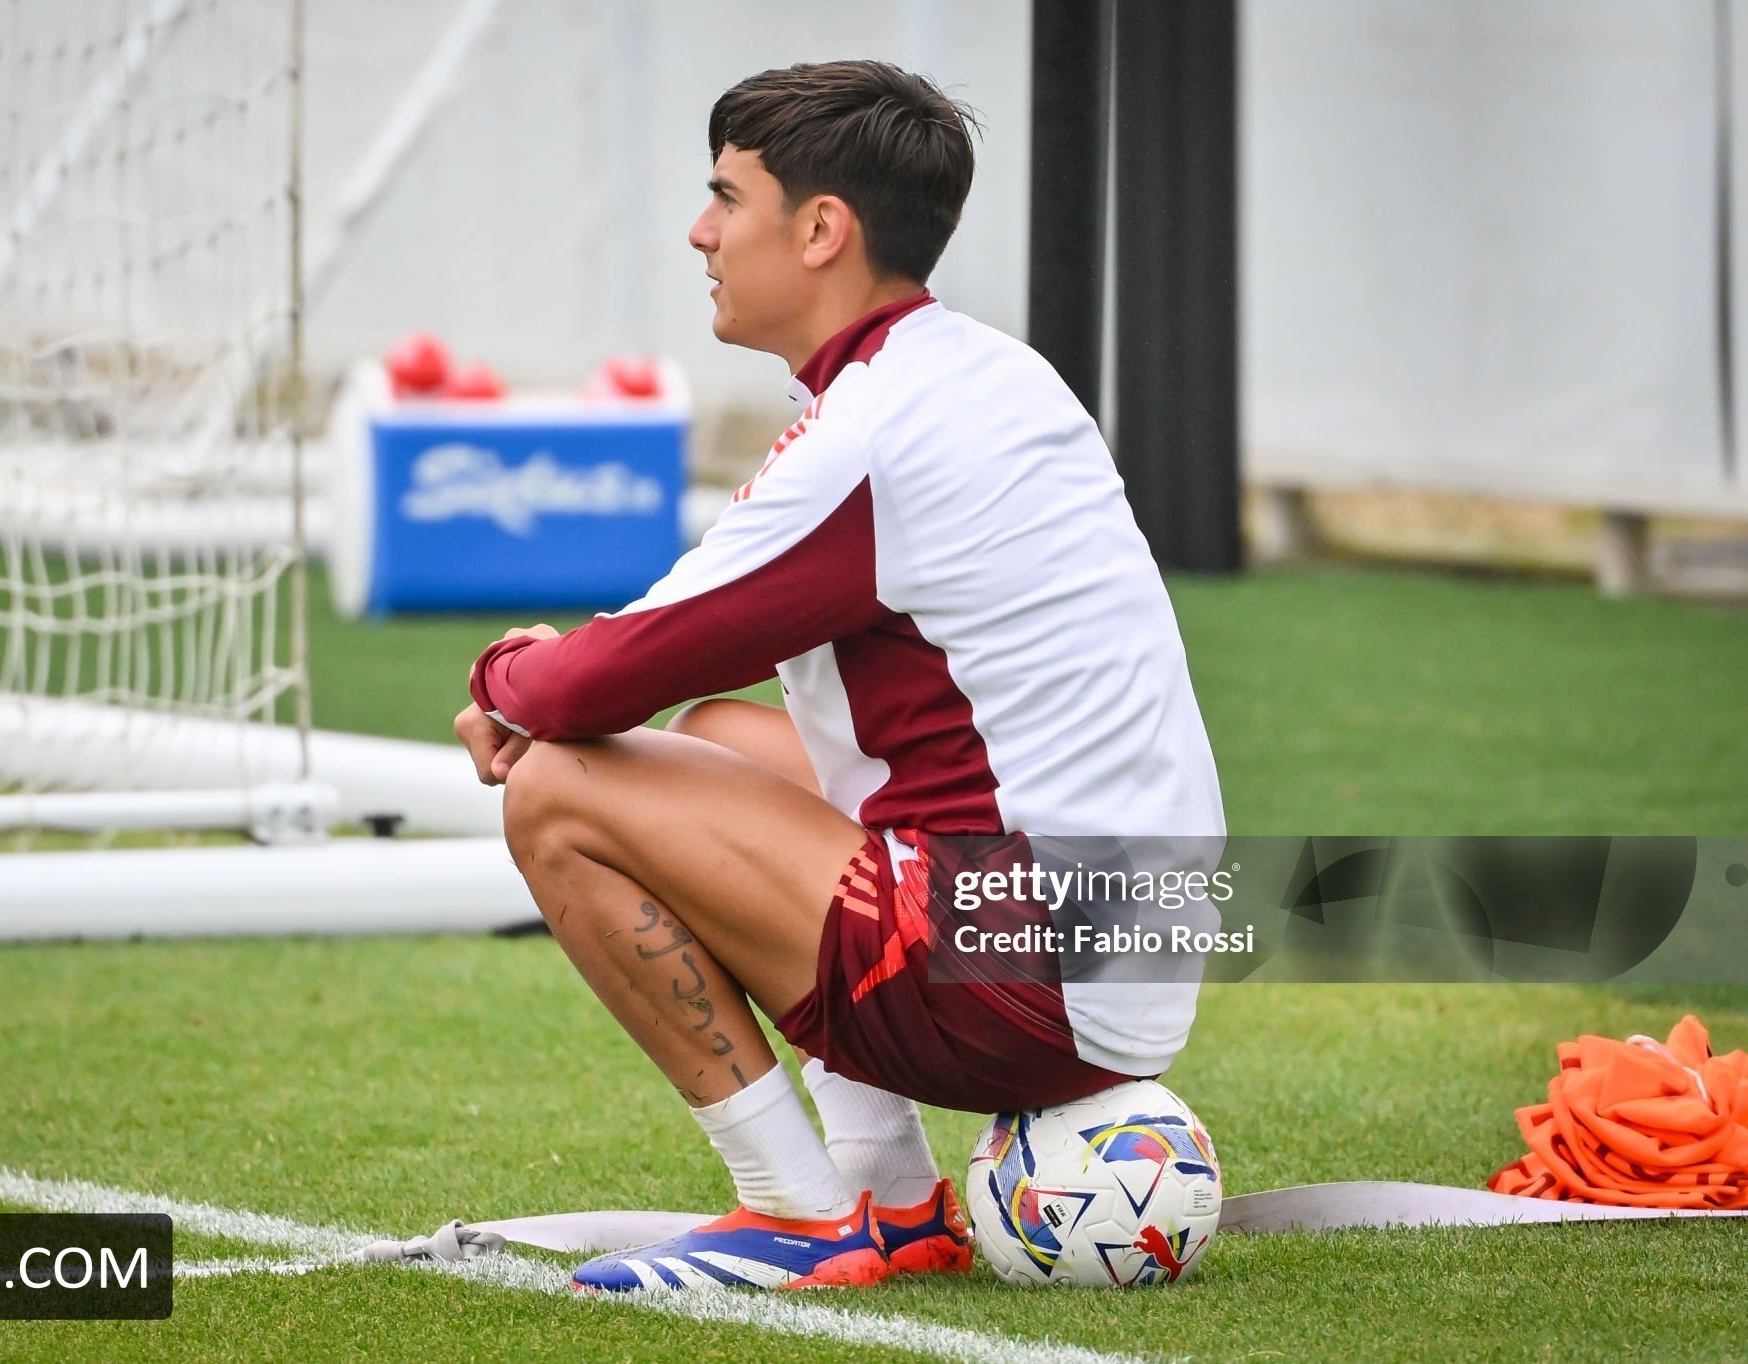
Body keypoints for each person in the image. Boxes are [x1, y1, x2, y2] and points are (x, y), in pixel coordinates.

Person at [453, 59, 1224, 1293]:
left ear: (820, 230)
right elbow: (690, 655)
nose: (699, 232)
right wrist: (552, 678)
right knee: (717, 733)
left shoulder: (872, 427)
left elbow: (582, 688)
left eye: (726, 198)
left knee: (559, 785)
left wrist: (507, 673)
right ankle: (893, 1196)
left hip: (1018, 980)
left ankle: (797, 1212)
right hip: (1135, 940)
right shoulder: (987, 372)